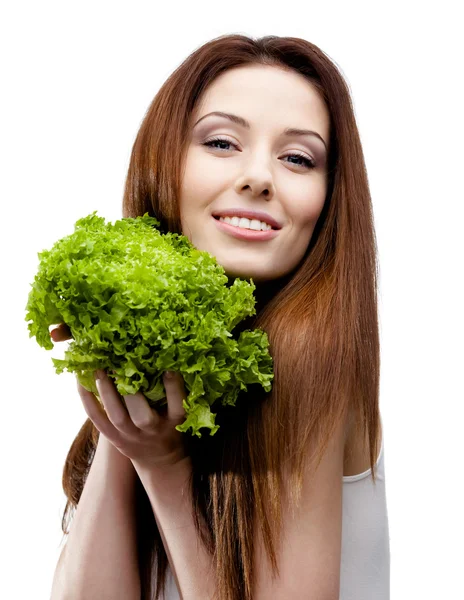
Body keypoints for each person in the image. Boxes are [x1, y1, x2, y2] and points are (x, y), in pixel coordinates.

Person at [50, 33, 390, 600]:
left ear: (328, 201)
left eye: (297, 158)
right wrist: (125, 380)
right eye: (223, 143)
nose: (259, 177)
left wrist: (164, 467)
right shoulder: (181, 373)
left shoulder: (311, 358)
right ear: (167, 163)